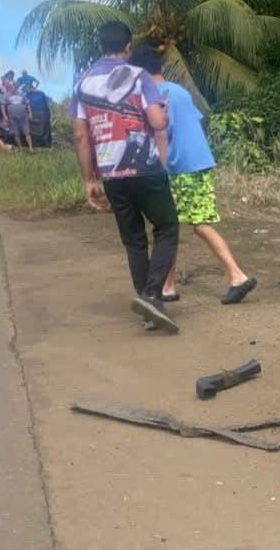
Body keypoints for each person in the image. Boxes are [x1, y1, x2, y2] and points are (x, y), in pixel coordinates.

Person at [127, 46, 258, 305]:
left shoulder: (153, 96)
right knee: (171, 227)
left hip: (180, 167)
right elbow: (195, 122)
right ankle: (167, 286)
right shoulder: (180, 91)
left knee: (193, 225)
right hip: (197, 162)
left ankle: (237, 276)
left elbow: (159, 133)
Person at [72, 22, 180, 334]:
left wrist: (88, 179)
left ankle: (149, 311)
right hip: (144, 165)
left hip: (111, 172)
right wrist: (163, 112)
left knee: (133, 240)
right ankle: (151, 295)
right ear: (128, 48)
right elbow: (157, 122)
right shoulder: (138, 75)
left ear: (99, 47)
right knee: (167, 227)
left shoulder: (82, 83)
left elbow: (81, 136)